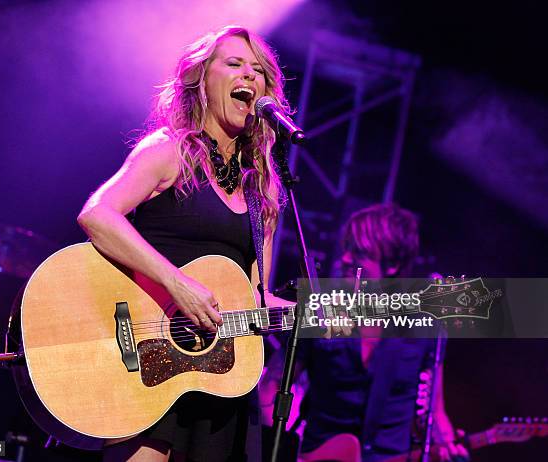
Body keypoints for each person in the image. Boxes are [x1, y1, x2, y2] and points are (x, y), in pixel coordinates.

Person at [77, 25, 290, 462]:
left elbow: (254, 296)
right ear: (201, 79)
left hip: (217, 378)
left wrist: (316, 313)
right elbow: (97, 215)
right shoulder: (168, 150)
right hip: (144, 358)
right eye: (234, 64)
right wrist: (176, 283)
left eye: (258, 71)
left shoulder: (264, 190)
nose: (248, 77)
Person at [296, 203, 469, 462]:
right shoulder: (321, 313)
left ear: (392, 265)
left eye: (359, 253)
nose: (344, 259)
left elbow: (435, 411)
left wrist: (450, 446)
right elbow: (272, 388)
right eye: (346, 249)